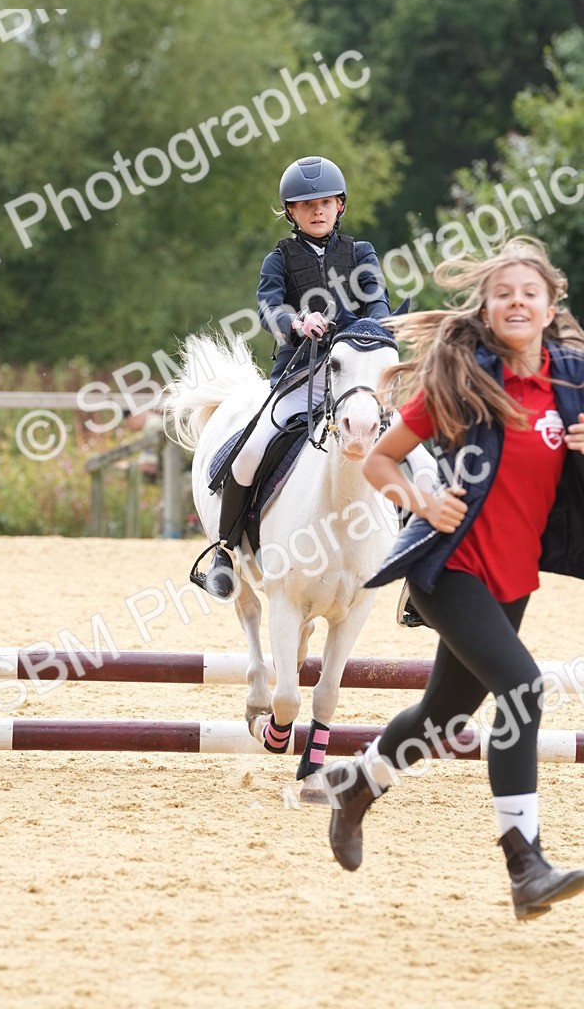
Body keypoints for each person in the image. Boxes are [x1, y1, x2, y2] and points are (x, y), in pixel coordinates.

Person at [322, 235, 584, 921]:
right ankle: (526, 865)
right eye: (504, 294)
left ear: (552, 303)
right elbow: (380, 461)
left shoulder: (571, 385)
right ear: (487, 310)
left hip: (512, 578)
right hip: (449, 568)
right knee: (522, 689)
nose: (517, 302)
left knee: (444, 717)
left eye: (530, 292)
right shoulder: (462, 384)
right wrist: (421, 501)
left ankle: (358, 784)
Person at [202, 154, 431, 599]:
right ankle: (225, 552)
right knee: (250, 453)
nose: (318, 211)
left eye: (325, 203)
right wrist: (296, 321)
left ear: (340, 205)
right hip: (300, 376)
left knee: (420, 460)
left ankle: (418, 567)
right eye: (307, 205)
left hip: (357, 378)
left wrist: (373, 327)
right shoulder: (278, 259)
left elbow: (377, 301)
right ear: (291, 211)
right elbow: (268, 307)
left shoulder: (361, 253)